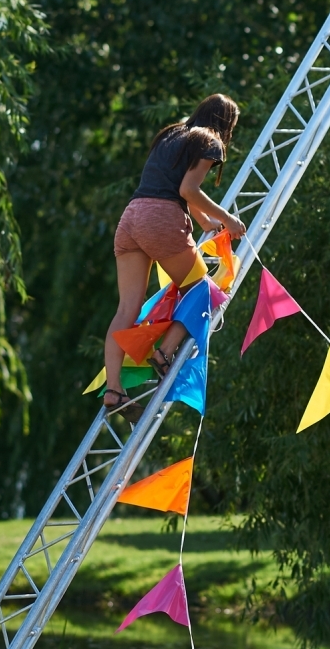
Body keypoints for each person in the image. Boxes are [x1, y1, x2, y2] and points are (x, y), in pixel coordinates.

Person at [103, 94, 246, 416]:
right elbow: (187, 190)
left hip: (131, 217)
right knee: (204, 291)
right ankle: (164, 352)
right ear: (226, 123)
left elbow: (172, 185)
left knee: (126, 309)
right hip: (161, 219)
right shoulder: (209, 141)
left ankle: (114, 389)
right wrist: (228, 220)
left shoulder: (172, 134)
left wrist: (204, 221)